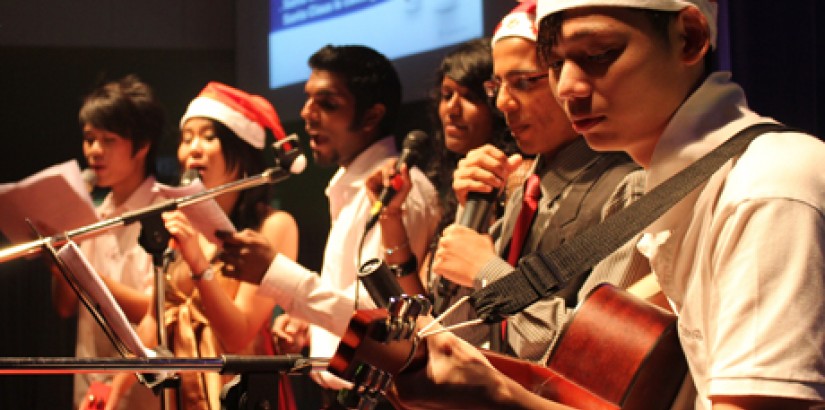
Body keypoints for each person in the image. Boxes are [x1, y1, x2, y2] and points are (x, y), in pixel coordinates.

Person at [394, 0, 825, 409]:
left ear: (690, 37)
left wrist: (498, 396)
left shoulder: (765, 186)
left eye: (598, 54)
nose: (568, 87)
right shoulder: (689, 187)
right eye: (557, 64)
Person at [218, 44, 440, 408]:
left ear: (371, 116)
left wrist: (276, 273)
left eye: (328, 103)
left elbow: (384, 327)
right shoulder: (350, 188)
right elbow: (350, 302)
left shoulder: (402, 191)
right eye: (308, 100)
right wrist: (312, 330)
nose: (307, 114)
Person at [431, 0, 647, 363]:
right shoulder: (525, 189)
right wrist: (469, 217)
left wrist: (486, 270)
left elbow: (595, 352)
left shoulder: (630, 185)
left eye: (523, 83)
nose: (502, 103)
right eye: (496, 85)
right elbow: (463, 331)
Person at [106, 82, 299, 410]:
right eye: (186, 138)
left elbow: (238, 336)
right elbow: (155, 318)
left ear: (242, 147)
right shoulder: (181, 224)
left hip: (242, 396)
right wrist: (113, 393)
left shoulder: (273, 226)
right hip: (184, 394)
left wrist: (198, 264)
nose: (192, 149)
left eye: (208, 136)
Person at [363, 37, 519, 304]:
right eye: (447, 96)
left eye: (470, 97)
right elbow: (424, 308)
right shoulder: (449, 188)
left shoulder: (518, 179)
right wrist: (390, 216)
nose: (452, 109)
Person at [51, 74, 165, 410]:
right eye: (89, 139)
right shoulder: (91, 216)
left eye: (109, 140)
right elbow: (64, 306)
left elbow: (157, 309)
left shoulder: (167, 214)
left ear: (142, 145)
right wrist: (58, 255)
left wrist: (85, 276)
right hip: (89, 386)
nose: (95, 151)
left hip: (144, 392)